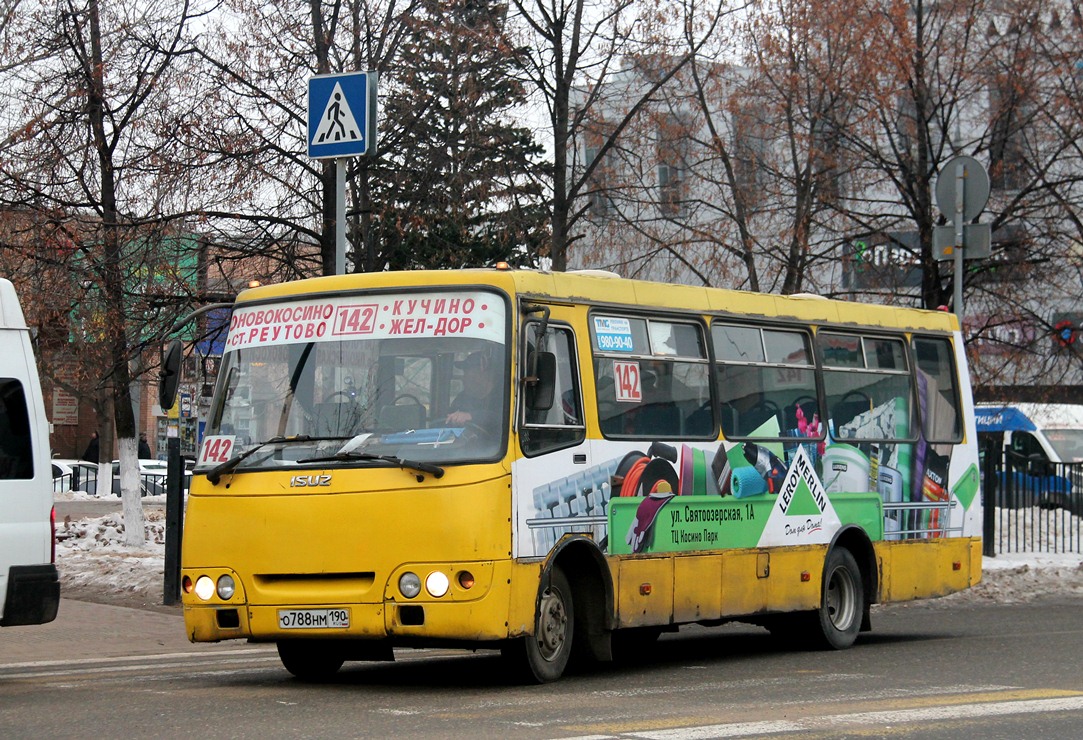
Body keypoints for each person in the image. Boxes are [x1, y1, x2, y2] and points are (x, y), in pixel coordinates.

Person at [445, 351, 497, 430]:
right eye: (464, 373)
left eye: (467, 373)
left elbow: (501, 418)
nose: (463, 379)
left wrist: (470, 416)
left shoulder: (503, 396)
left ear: (483, 373)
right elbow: (447, 420)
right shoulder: (461, 399)